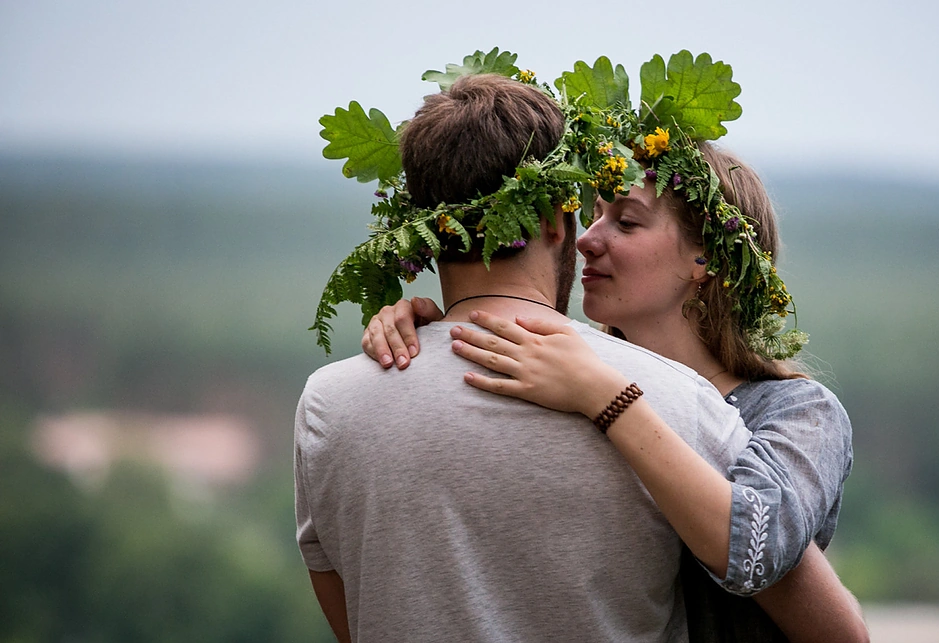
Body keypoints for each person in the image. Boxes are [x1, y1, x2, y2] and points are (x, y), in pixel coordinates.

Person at [297, 72, 793, 642]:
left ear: (422, 230)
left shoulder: (328, 405)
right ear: (556, 221)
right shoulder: (685, 406)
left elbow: (353, 621)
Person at [364, 142, 865, 642]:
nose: (586, 239)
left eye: (625, 222)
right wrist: (428, 334)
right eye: (594, 214)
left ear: (704, 256)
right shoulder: (567, 372)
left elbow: (759, 550)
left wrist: (608, 398)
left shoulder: (799, 412)